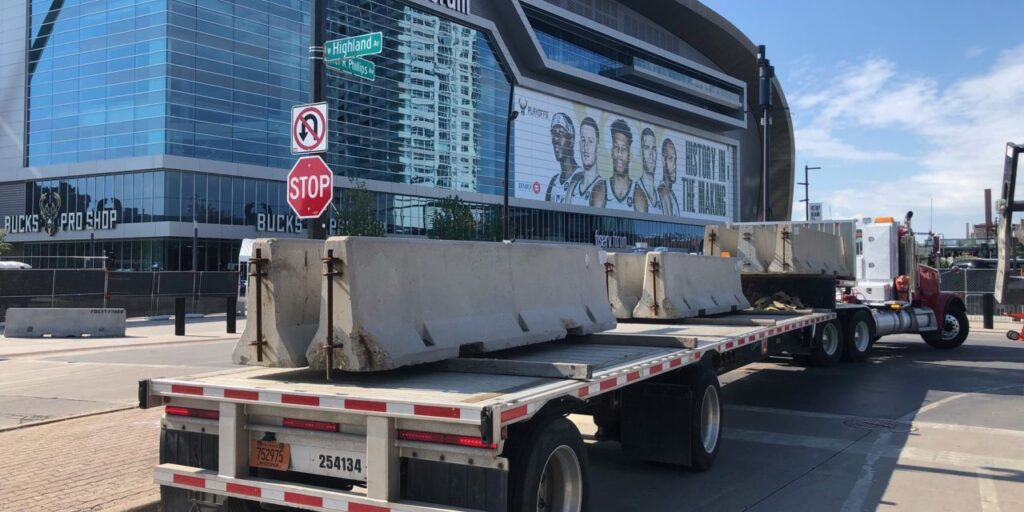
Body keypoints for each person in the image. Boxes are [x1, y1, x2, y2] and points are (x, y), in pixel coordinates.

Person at [591, 119, 647, 212]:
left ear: (630, 156)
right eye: (616, 148)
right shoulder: (600, 191)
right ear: (611, 152)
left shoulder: (638, 195)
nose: (620, 154)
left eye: (624, 149)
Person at [545, 113, 582, 203]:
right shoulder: (553, 182)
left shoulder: (582, 178)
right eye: (554, 133)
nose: (555, 139)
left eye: (560, 133)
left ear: (571, 140)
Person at [570, 117, 602, 206]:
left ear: (598, 148)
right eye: (583, 140)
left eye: (590, 141)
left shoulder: (602, 188)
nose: (586, 147)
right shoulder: (573, 188)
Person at [638, 127, 660, 214]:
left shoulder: (660, 197)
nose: (651, 154)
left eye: (654, 149)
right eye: (647, 148)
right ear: (641, 152)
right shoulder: (635, 192)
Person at [657, 138, 681, 216]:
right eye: (671, 159)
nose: (674, 165)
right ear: (663, 161)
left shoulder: (672, 194)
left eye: (675, 160)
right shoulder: (663, 191)